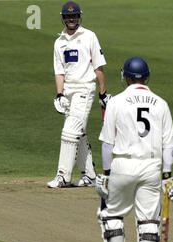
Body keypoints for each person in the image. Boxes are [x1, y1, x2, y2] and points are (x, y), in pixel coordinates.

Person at [94, 57, 173, 242]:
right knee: (149, 219)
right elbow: (169, 143)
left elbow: (107, 143)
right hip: (151, 166)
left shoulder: (116, 102)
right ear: (147, 76)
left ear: (127, 77)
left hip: (122, 164)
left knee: (111, 214)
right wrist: (167, 176)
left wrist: (105, 174)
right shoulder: (161, 103)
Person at [48, 1, 112, 188]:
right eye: (68, 16)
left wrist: (103, 92)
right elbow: (59, 71)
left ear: (79, 16)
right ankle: (90, 176)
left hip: (85, 89)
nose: (71, 19)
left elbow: (98, 66)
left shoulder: (89, 36)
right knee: (79, 133)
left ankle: (63, 176)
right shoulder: (59, 42)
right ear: (63, 18)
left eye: (74, 16)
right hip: (68, 92)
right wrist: (59, 95)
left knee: (70, 131)